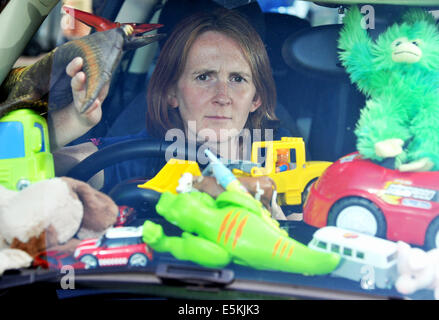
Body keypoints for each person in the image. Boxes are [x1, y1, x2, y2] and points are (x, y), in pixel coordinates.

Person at [50, 8, 285, 193]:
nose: (223, 97)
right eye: (203, 77)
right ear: (172, 93)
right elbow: (31, 169)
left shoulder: (283, 164)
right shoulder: (137, 155)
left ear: (257, 98)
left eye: (237, 79)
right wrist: (72, 122)